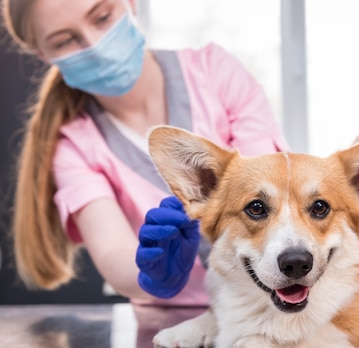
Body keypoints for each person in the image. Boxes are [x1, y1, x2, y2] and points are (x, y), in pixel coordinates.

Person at [3, 0, 288, 305]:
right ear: (44, 55)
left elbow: (268, 192)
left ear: (131, 4)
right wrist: (150, 269)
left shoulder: (214, 72)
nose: (95, 45)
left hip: (269, 307)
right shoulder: (73, 146)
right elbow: (113, 253)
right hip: (173, 328)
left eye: (102, 17)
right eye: (65, 40)